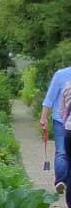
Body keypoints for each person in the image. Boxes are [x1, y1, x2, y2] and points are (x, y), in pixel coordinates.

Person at [40, 64, 71, 198]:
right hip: (63, 120)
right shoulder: (60, 74)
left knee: (61, 151)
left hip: (60, 120)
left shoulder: (60, 74)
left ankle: (61, 180)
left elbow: (50, 98)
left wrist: (43, 118)